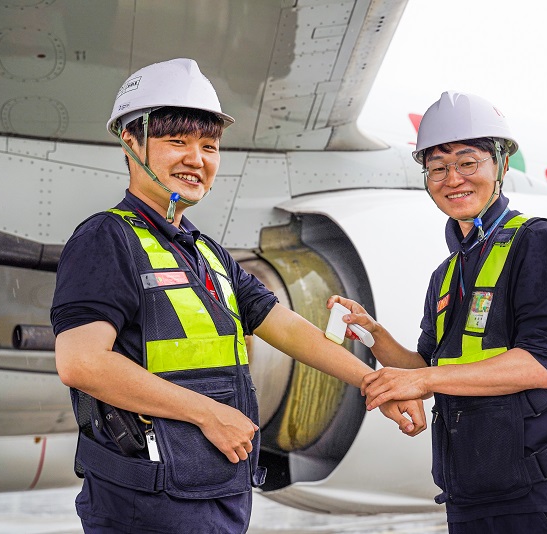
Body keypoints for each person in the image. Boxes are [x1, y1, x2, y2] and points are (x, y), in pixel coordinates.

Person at [50, 58, 426, 534]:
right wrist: (209, 414)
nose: (197, 159)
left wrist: (374, 383)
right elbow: (82, 364)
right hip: (147, 505)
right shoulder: (106, 239)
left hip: (213, 494)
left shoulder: (205, 252)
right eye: (177, 142)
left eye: (209, 146)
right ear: (131, 141)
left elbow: (281, 324)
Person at [329, 91, 547, 533]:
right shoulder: (446, 275)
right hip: (472, 487)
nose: (452, 178)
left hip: (542, 491)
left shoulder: (535, 240)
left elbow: (541, 364)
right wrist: (375, 336)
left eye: (468, 162)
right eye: (438, 168)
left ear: (499, 165)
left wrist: (421, 378)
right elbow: (430, 368)